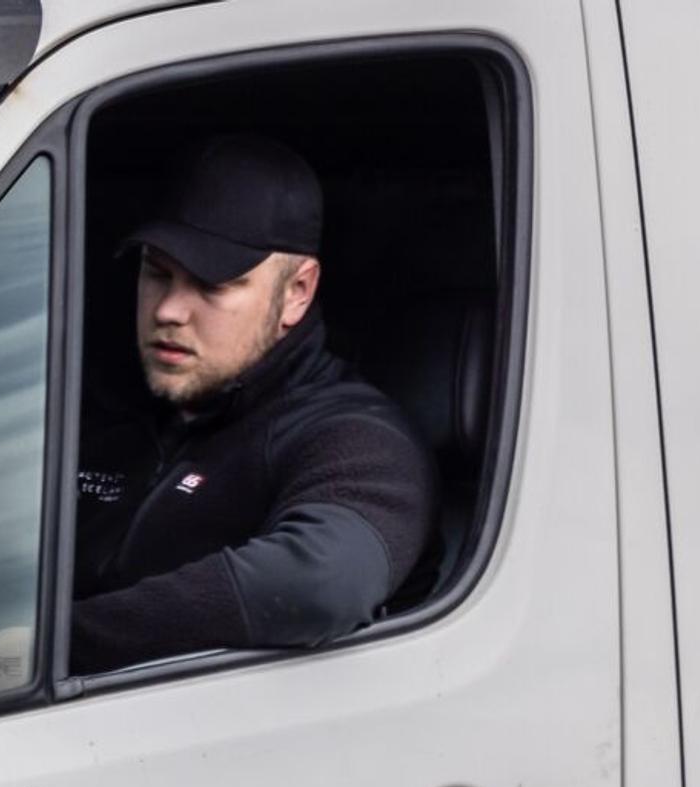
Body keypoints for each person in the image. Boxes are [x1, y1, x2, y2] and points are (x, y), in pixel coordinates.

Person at [71, 135, 437, 675]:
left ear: (297, 292)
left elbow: (321, 583)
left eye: (212, 285)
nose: (170, 309)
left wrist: (48, 648)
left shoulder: (352, 435)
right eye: (157, 272)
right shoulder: (98, 403)